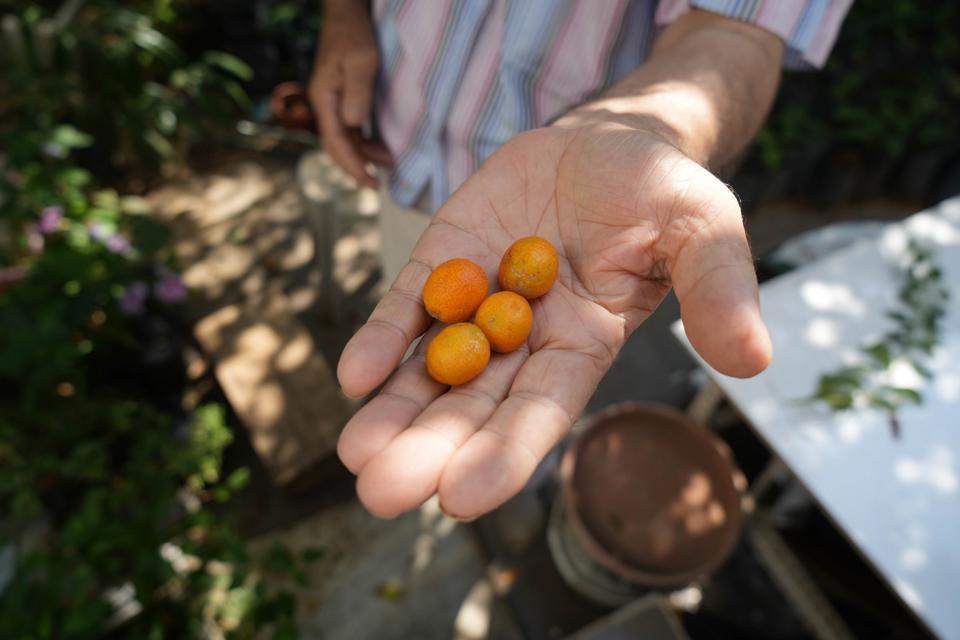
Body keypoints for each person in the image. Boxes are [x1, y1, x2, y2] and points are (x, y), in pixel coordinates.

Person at [309, 0, 852, 521]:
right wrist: (344, 16)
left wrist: (645, 128)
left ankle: (528, 480)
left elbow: (738, 31)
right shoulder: (462, 287)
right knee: (403, 325)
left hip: (576, 216)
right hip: (399, 151)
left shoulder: (517, 285)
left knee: (519, 407)